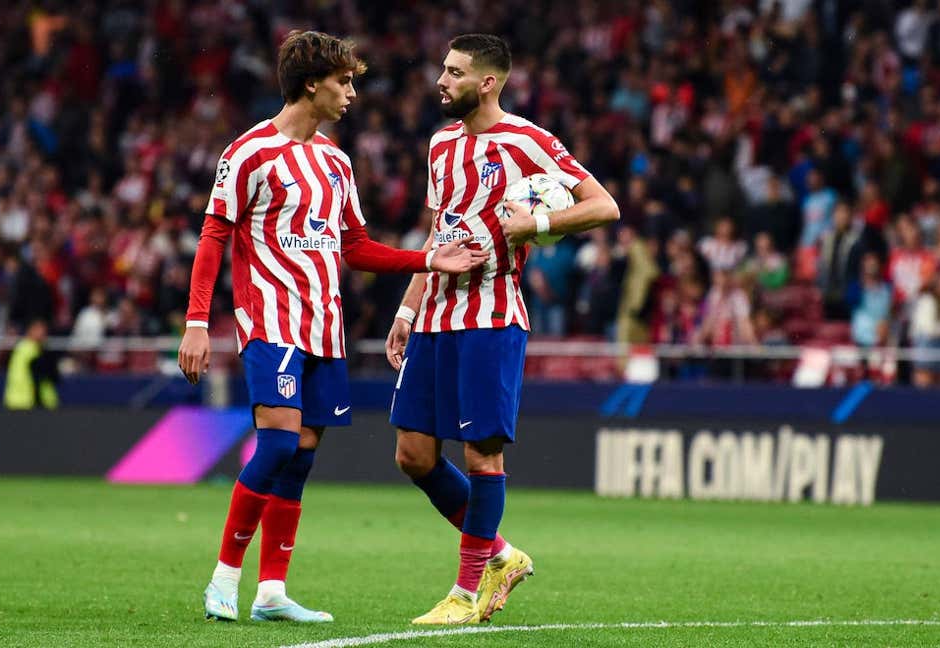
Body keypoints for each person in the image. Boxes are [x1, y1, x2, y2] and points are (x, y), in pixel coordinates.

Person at [178, 30, 486, 625]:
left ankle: (272, 591)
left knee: (301, 455)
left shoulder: (336, 161)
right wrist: (196, 322)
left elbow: (358, 248)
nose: (351, 93)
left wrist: (430, 259)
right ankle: (224, 579)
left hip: (324, 327)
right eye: (344, 81)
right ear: (312, 82)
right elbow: (215, 234)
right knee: (275, 445)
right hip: (270, 320)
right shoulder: (248, 153)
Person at [384, 34, 619, 625]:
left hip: (491, 315)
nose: (441, 79)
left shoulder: (528, 141)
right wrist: (408, 308)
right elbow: (439, 231)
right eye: (443, 67)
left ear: (488, 82)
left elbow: (604, 206)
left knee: (481, 452)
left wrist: (537, 222)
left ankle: (465, 594)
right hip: (436, 314)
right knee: (412, 455)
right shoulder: (439, 145)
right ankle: (499, 554)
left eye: (455, 71)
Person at [3, 319, 59, 409]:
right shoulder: (29, 349)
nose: (43, 333)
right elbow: (47, 374)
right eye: (39, 329)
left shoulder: (23, 348)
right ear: (30, 330)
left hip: (21, 402)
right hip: (24, 403)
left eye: (44, 330)